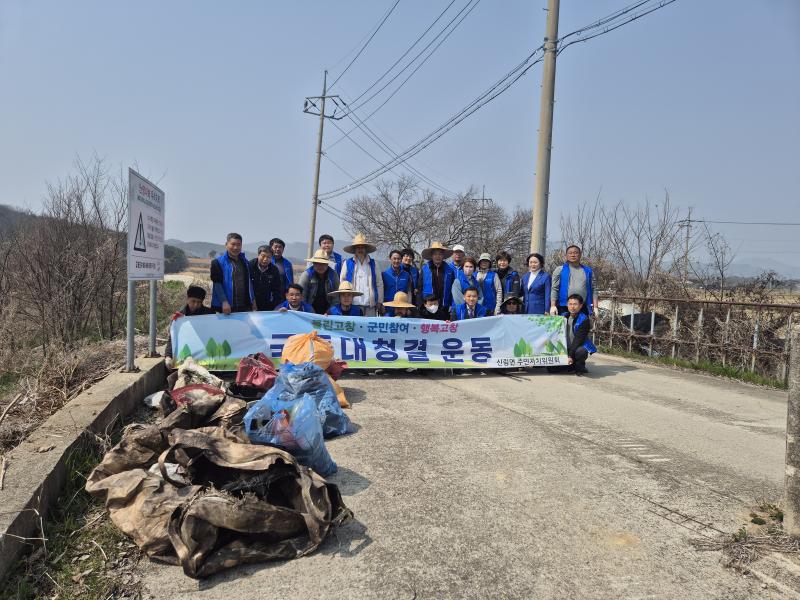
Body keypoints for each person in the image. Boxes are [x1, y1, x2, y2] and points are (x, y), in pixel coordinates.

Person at [164, 285, 214, 365]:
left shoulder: (210, 315)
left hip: (206, 357)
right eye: (193, 301)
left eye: (199, 302)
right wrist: (168, 356)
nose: (196, 305)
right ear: (187, 299)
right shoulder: (180, 317)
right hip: (186, 357)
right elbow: (172, 338)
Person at [210, 233, 256, 314]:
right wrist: (224, 302)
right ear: (226, 244)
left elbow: (249, 283)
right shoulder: (217, 262)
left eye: (238, 245)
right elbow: (217, 284)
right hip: (226, 307)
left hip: (244, 306)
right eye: (233, 244)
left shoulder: (246, 262)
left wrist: (253, 300)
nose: (235, 247)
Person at [340, 233, 383, 317]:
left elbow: (379, 283)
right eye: (358, 247)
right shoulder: (347, 263)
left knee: (369, 327)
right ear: (354, 249)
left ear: (366, 249)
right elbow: (342, 281)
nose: (360, 249)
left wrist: (380, 301)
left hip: (370, 303)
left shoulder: (374, 263)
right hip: (353, 303)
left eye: (362, 247)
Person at [550, 245, 599, 317]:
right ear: (566, 255)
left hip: (583, 306)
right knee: (564, 327)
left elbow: (594, 289)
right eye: (570, 253)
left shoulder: (588, 271)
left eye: (575, 253)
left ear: (580, 255)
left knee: (582, 327)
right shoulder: (560, 270)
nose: (573, 255)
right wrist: (553, 306)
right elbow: (554, 288)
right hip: (564, 307)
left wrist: (595, 307)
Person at [557, 293, 597, 375]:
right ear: (567, 305)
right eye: (570, 304)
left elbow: (577, 340)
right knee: (551, 369)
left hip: (576, 348)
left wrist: (570, 356)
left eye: (575, 304)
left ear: (581, 306)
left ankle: (579, 366)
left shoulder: (584, 320)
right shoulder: (562, 317)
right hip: (564, 348)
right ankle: (569, 366)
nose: (572, 307)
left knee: (581, 351)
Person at [298, 249, 340, 314]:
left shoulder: (333, 275)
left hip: (328, 312)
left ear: (327, 264)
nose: (320, 266)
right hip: (309, 311)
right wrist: (309, 311)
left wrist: (331, 311)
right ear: (313, 263)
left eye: (323, 264)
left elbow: (336, 298)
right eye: (317, 263)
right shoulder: (306, 275)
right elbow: (302, 297)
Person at [421, 242, 457, 310]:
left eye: (440, 254)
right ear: (431, 256)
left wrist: (452, 306)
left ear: (443, 256)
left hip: (444, 307)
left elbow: (453, 290)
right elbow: (419, 288)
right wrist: (421, 305)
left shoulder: (450, 270)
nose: (438, 256)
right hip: (428, 306)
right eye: (435, 254)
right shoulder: (424, 269)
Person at [249, 245, 282, 311]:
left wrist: (275, 306)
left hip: (267, 306)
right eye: (263, 256)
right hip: (250, 305)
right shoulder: (249, 266)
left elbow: (277, 290)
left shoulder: (274, 270)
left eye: (268, 257)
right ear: (258, 255)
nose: (265, 259)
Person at [382, 249, 414, 316]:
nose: (396, 261)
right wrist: (382, 305)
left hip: (402, 309)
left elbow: (409, 292)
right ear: (390, 259)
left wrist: (409, 308)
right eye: (394, 258)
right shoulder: (384, 274)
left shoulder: (406, 275)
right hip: (388, 308)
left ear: (401, 259)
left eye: (398, 259)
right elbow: (381, 291)